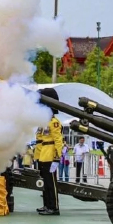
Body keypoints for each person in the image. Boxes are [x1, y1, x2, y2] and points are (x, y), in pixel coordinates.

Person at [35, 88, 64, 216]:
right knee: (45, 184)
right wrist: (37, 157)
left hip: (51, 156)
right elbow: (40, 141)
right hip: (43, 156)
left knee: (51, 184)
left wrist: (57, 157)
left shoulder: (54, 123)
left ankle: (54, 207)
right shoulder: (43, 123)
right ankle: (47, 205)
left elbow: (58, 141)